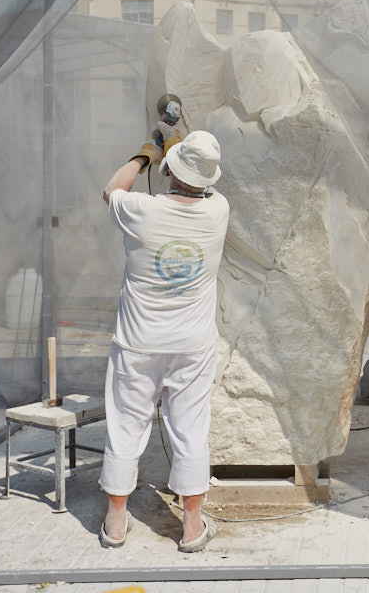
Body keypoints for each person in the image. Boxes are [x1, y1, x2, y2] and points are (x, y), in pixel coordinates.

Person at [98, 126, 230, 552]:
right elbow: (197, 185)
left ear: (169, 170)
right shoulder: (218, 211)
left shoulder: (139, 209)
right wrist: (176, 146)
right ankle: (191, 527)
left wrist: (145, 155)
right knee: (190, 430)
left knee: (125, 426)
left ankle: (116, 524)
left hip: (138, 343)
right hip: (191, 345)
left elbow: (111, 189)